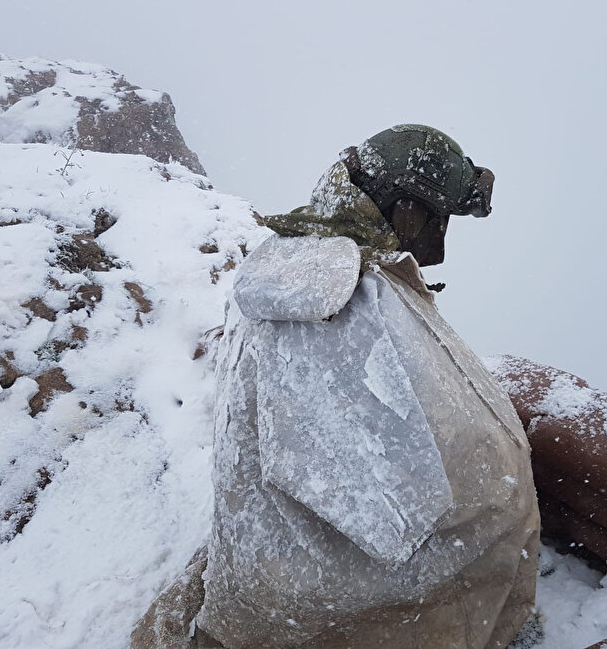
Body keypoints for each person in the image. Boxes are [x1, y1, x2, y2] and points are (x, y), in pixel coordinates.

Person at [194, 124, 540, 648]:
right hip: (326, 600)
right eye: (438, 219)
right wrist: (491, 503)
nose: (440, 245)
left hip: (269, 571)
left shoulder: (297, 264)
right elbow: (380, 505)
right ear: (405, 211)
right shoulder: (348, 299)